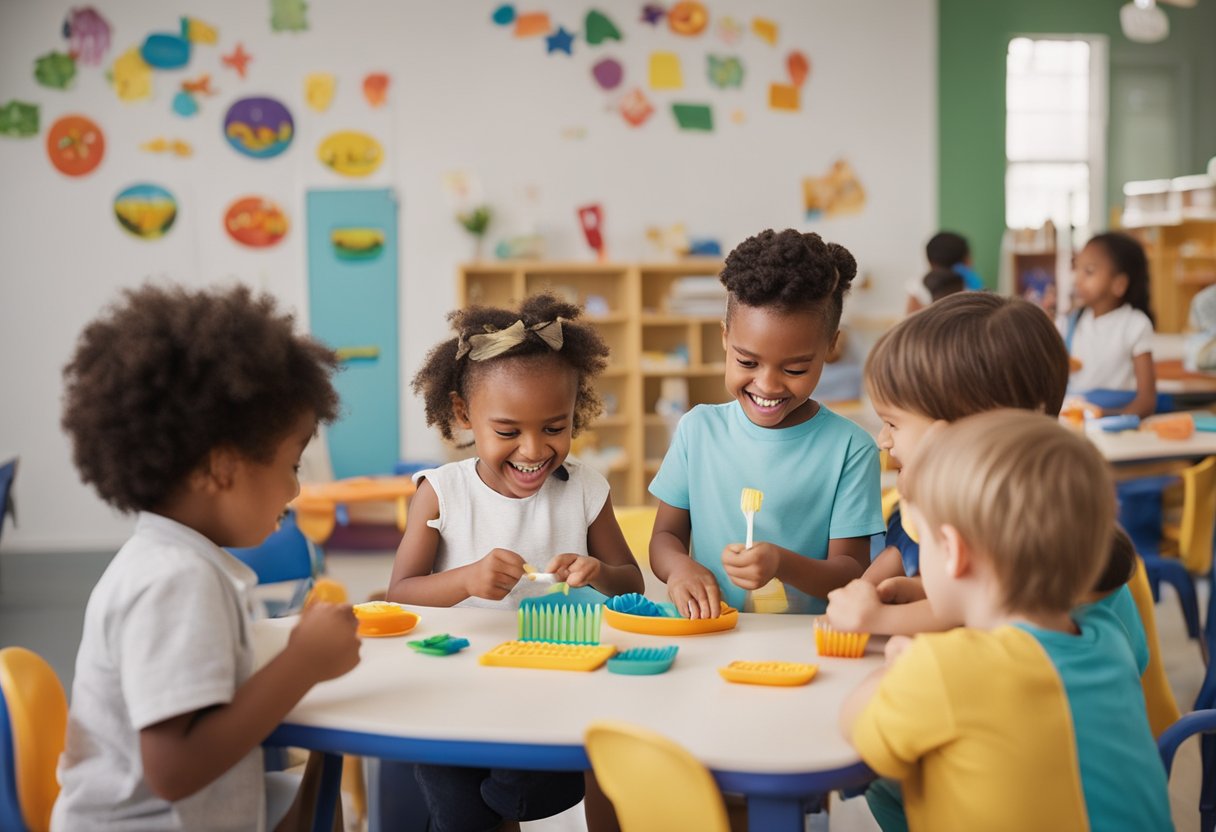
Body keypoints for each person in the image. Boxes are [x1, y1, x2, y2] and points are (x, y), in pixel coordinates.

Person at [53, 284, 361, 832]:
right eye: (292, 466)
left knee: (323, 793)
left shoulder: (168, 559)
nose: (294, 492)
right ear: (222, 467)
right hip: (153, 821)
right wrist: (304, 662)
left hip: (181, 809)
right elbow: (174, 769)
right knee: (324, 790)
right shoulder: (176, 580)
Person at [840, 410, 1172, 832]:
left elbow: (856, 727)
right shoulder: (1106, 637)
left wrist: (897, 672)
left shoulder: (945, 668)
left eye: (922, 540)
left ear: (953, 552)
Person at [388, 292, 643, 832]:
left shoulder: (584, 489)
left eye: (555, 427)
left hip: (552, 688)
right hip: (452, 690)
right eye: (508, 432)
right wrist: (466, 579)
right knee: (460, 817)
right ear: (464, 415)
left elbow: (631, 582)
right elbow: (400, 592)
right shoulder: (441, 492)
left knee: (524, 793)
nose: (533, 451)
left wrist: (597, 574)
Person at [648, 228, 884, 618]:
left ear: (830, 347)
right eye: (747, 362)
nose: (767, 385)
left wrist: (781, 564)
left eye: (795, 368)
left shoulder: (851, 448)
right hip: (714, 632)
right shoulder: (698, 430)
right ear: (726, 338)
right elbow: (666, 537)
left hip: (805, 642)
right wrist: (680, 568)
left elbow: (852, 572)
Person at [826, 292, 1070, 637]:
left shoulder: (1027, 518)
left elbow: (981, 608)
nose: (882, 440)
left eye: (893, 424)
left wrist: (879, 620)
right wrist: (920, 591)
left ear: (954, 436)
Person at [1058, 231, 1157, 418]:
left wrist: (1108, 418)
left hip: (1114, 425)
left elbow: (1146, 401)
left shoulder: (1135, 324)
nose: (1077, 279)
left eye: (1089, 272)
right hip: (1075, 419)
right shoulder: (1071, 321)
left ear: (1118, 284)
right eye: (1076, 268)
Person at [905, 231, 983, 314]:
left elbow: (908, 321)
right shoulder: (973, 290)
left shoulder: (917, 287)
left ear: (930, 262)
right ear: (965, 261)